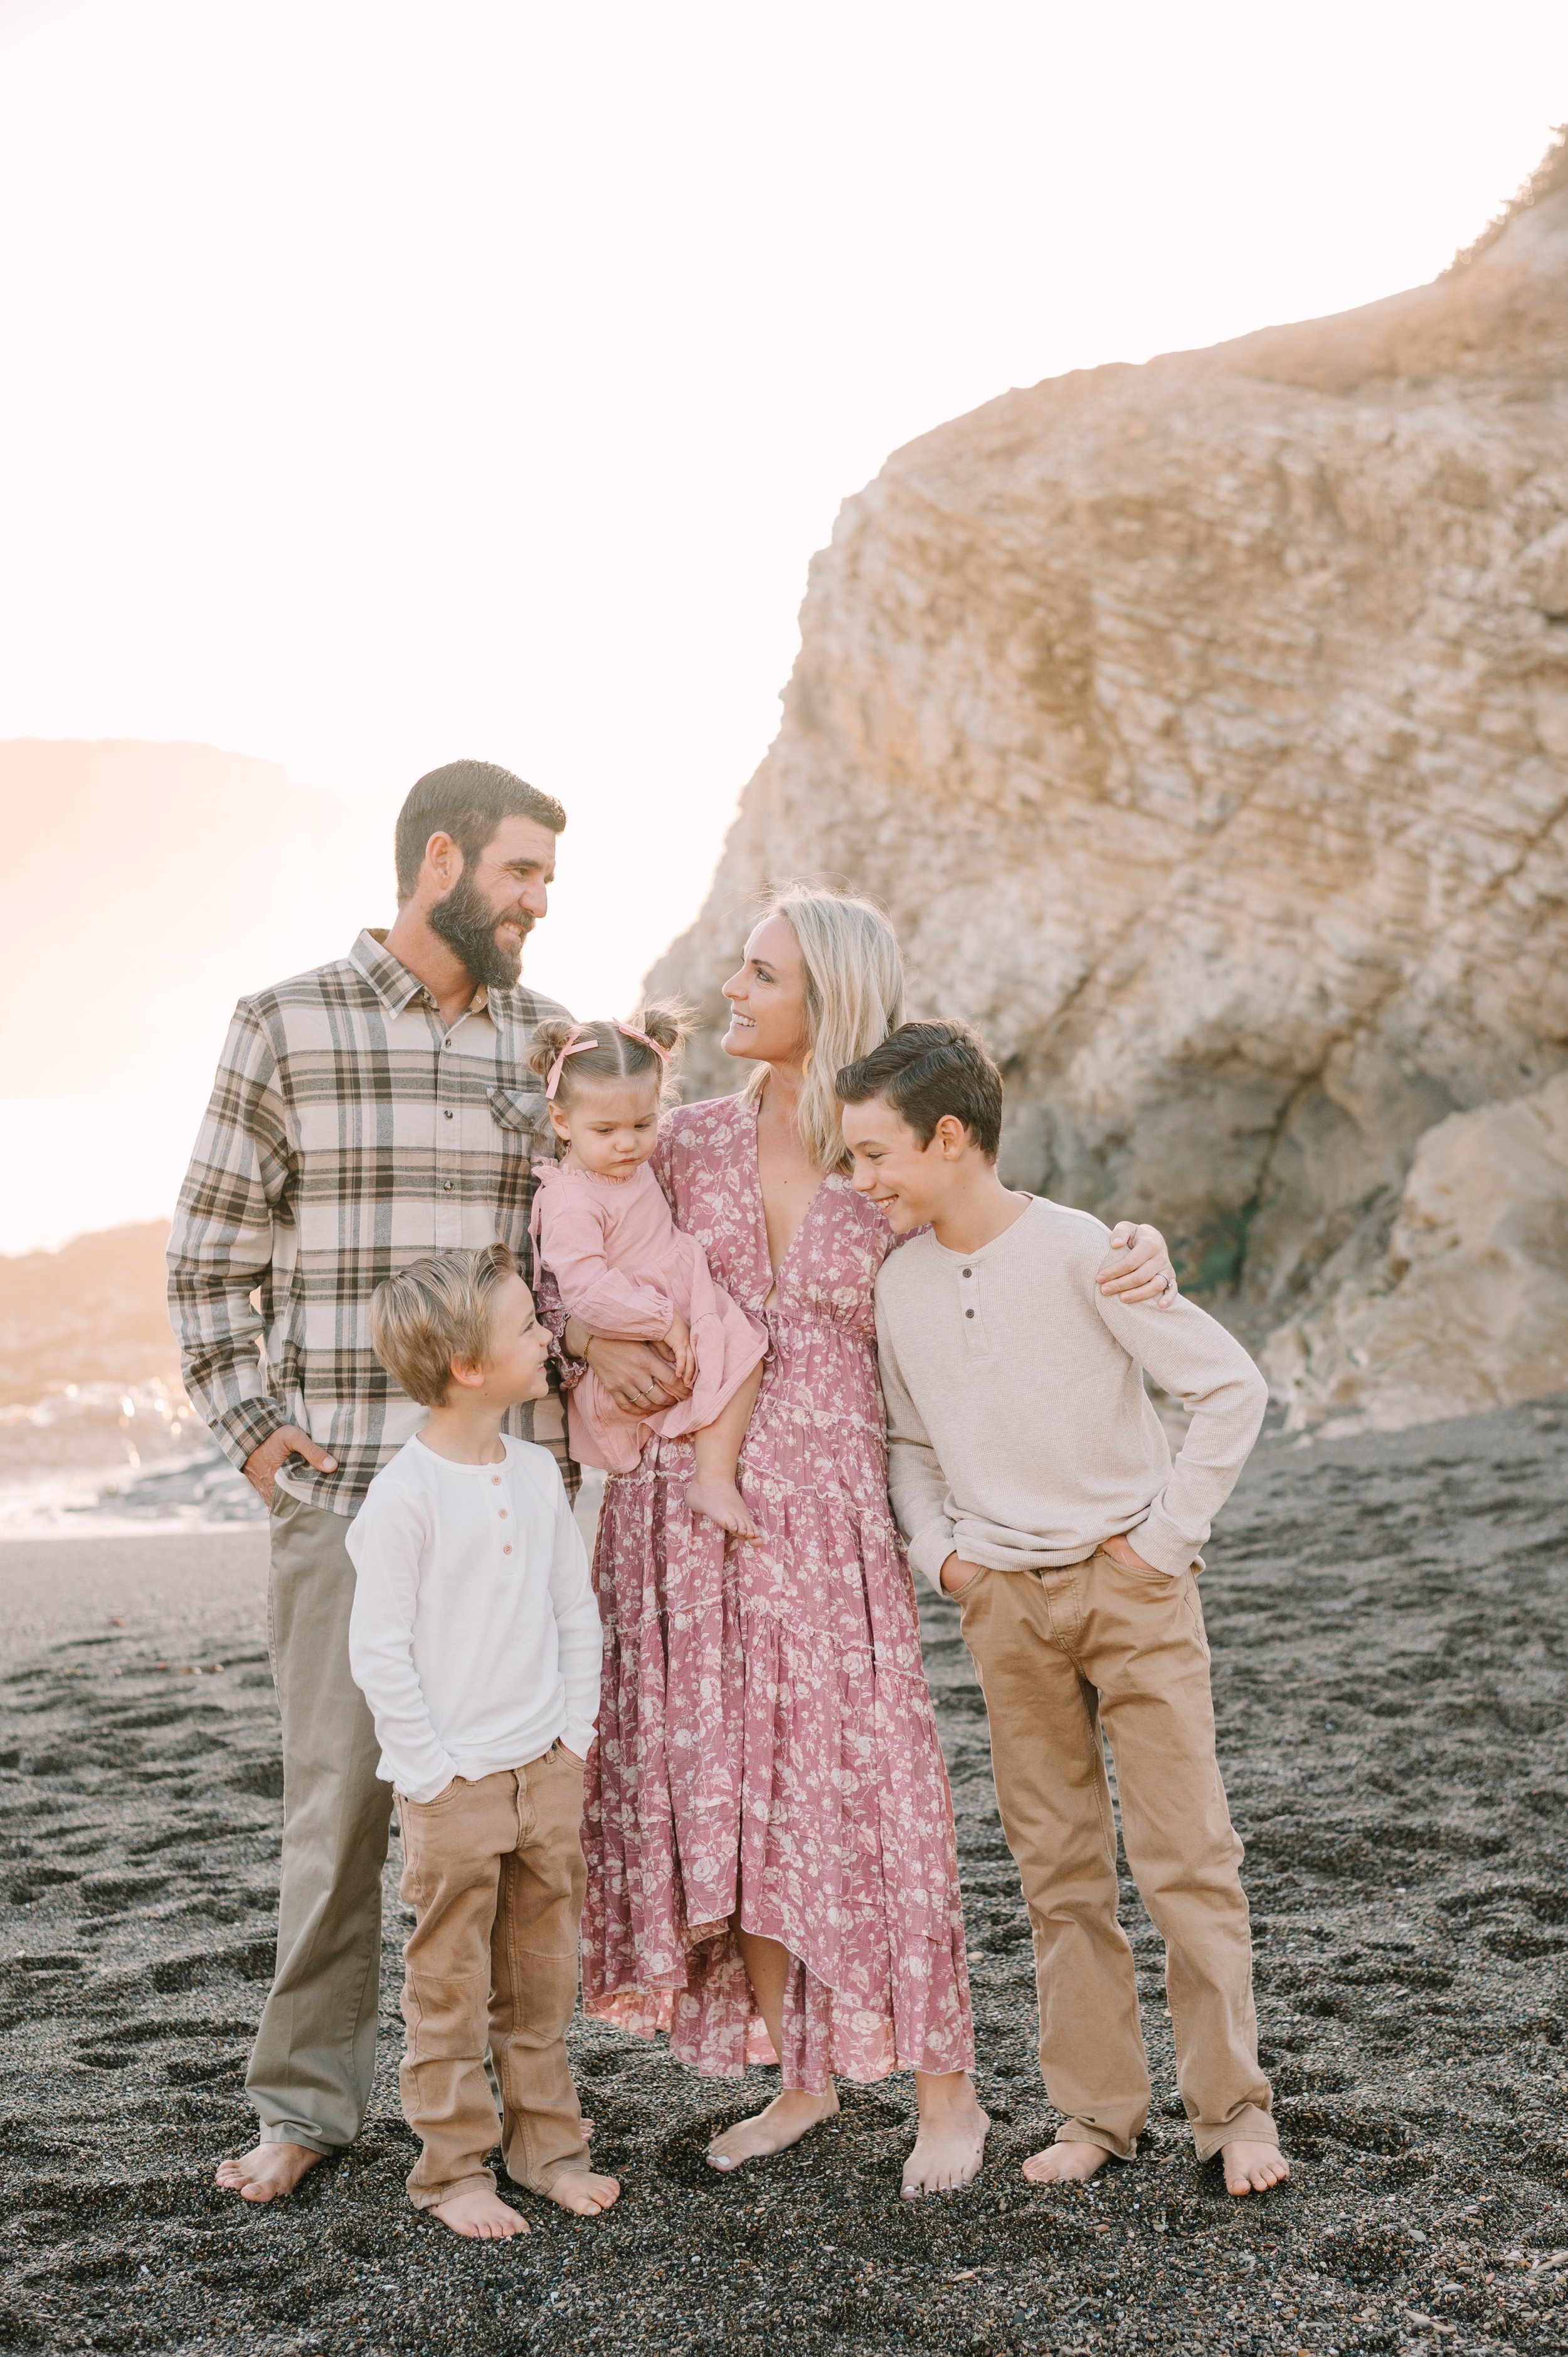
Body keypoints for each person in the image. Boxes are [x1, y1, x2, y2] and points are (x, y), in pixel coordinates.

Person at [538, 886, 1179, 2196]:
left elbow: (998, 1240)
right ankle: (800, 2079)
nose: (732, 989)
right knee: (727, 1791)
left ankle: (948, 2096)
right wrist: (583, 1343)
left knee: (873, 1791)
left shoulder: (878, 1149)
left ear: (820, 995)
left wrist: (1131, 1250)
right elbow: (572, 1239)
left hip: (830, 1507)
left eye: (758, 972)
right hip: (676, 1510)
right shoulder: (685, 1142)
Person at [168, 758, 576, 2205]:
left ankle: (522, 2113)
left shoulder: (550, 1045)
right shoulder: (286, 1024)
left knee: (520, 1822)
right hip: (346, 1494)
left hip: (518, 1505)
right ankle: (307, 2102)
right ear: (443, 859)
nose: (539, 902)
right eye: (522, 874)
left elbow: (586, 1247)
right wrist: (259, 1432)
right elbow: (207, 1255)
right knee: (342, 1804)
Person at [839, 1019, 1288, 2200]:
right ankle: (1096, 2113)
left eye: (875, 1153)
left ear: (949, 1137)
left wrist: (1162, 1542)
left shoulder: (1089, 1249)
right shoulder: (898, 1283)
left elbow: (1229, 1387)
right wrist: (946, 1561)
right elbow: (907, 1445)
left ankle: (1233, 2112)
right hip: (1004, 1608)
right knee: (1058, 1872)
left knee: (1187, 1856)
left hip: (1131, 1590)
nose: (862, 1179)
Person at [346, 1243, 618, 2238]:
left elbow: (571, 1609)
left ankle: (549, 2150)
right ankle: (454, 2171)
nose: (547, 1335)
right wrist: (430, 1770)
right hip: (452, 1786)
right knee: (449, 1989)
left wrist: (576, 1735)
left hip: (546, 1767)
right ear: (469, 1367)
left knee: (541, 1981)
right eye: (527, 1328)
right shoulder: (404, 1498)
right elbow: (380, 1654)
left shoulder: (539, 1472)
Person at [527, 1006, 766, 1536]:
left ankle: (711, 1474)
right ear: (562, 1122)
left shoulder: (623, 1169)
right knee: (739, 1345)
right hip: (631, 1323)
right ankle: (712, 1479)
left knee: (747, 1348)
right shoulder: (570, 1198)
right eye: (606, 1129)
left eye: (643, 1124)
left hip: (668, 1299)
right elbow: (587, 1292)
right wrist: (664, 1322)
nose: (628, 1143)